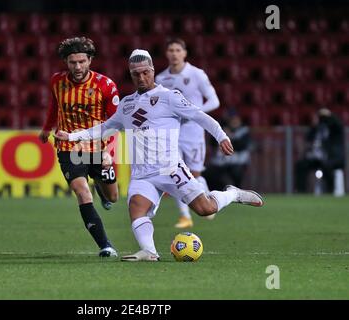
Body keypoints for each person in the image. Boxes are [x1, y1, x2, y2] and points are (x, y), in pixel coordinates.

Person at [55, 49, 264, 262]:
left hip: (169, 168)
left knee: (205, 208)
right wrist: (72, 137)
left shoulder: (169, 97)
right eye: (136, 74)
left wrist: (221, 136)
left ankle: (233, 194)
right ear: (131, 74)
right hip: (142, 173)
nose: (141, 77)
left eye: (145, 72)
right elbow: (106, 127)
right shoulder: (127, 104)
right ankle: (149, 251)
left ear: (152, 70)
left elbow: (200, 116)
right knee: (137, 207)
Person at [38, 37, 121, 257]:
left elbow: (115, 124)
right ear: (66, 61)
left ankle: (103, 191)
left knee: (113, 197)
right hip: (68, 148)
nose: (77, 67)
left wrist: (109, 152)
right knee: (82, 192)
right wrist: (47, 128)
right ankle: (105, 245)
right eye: (73, 62)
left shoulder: (106, 85)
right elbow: (54, 106)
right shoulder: (57, 81)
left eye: (82, 61)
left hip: (98, 148)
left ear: (90, 60)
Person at [155, 38, 220, 228]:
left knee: (195, 174)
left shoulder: (197, 74)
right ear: (166, 54)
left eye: (177, 50)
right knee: (175, 173)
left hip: (193, 134)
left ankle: (208, 200)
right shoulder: (161, 79)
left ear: (184, 53)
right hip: (171, 135)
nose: (174, 53)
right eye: (170, 50)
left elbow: (214, 101)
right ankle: (185, 216)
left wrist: (194, 114)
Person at [295, 108, 346, 196]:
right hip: (317, 159)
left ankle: (330, 191)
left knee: (328, 167)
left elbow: (338, 124)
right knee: (300, 165)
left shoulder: (334, 129)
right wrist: (314, 125)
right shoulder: (317, 128)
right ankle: (301, 191)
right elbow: (308, 137)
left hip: (330, 158)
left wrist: (329, 114)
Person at [203, 110, 252, 191]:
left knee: (237, 172)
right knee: (208, 173)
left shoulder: (244, 130)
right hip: (221, 162)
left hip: (238, 162)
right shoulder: (222, 130)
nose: (234, 121)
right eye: (231, 119)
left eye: (235, 119)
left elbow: (242, 145)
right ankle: (218, 193)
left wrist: (229, 138)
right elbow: (213, 143)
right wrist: (223, 136)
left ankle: (238, 192)